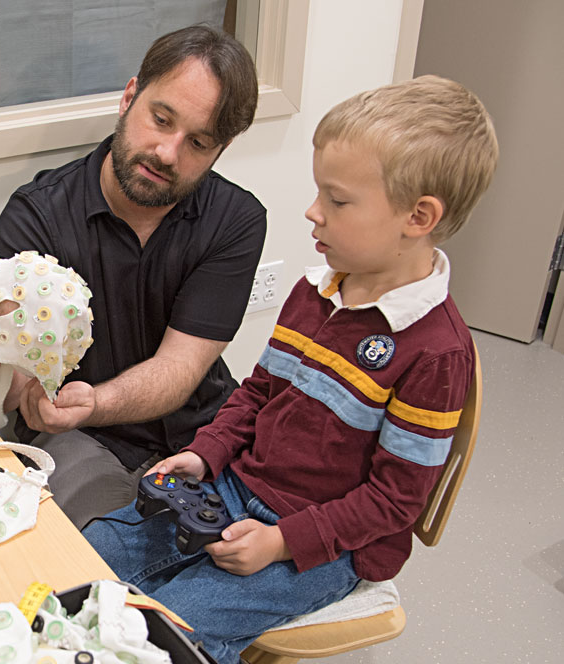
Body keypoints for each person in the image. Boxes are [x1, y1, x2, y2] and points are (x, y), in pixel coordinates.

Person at [80, 74, 499, 663]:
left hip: (327, 544)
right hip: (235, 486)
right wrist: (207, 452)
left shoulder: (436, 354)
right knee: (89, 557)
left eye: (338, 200)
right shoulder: (316, 291)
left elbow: (395, 501)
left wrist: (281, 543)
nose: (313, 212)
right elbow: (257, 393)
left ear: (419, 216)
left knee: (175, 629)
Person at [0, 25, 267, 529]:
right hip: (79, 438)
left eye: (198, 143)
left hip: (203, 425)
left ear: (219, 151)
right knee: (98, 562)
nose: (167, 152)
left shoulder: (236, 220)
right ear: (129, 97)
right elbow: (10, 398)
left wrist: (98, 400)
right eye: (160, 119)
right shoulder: (38, 216)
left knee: (266, 543)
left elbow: (180, 370)